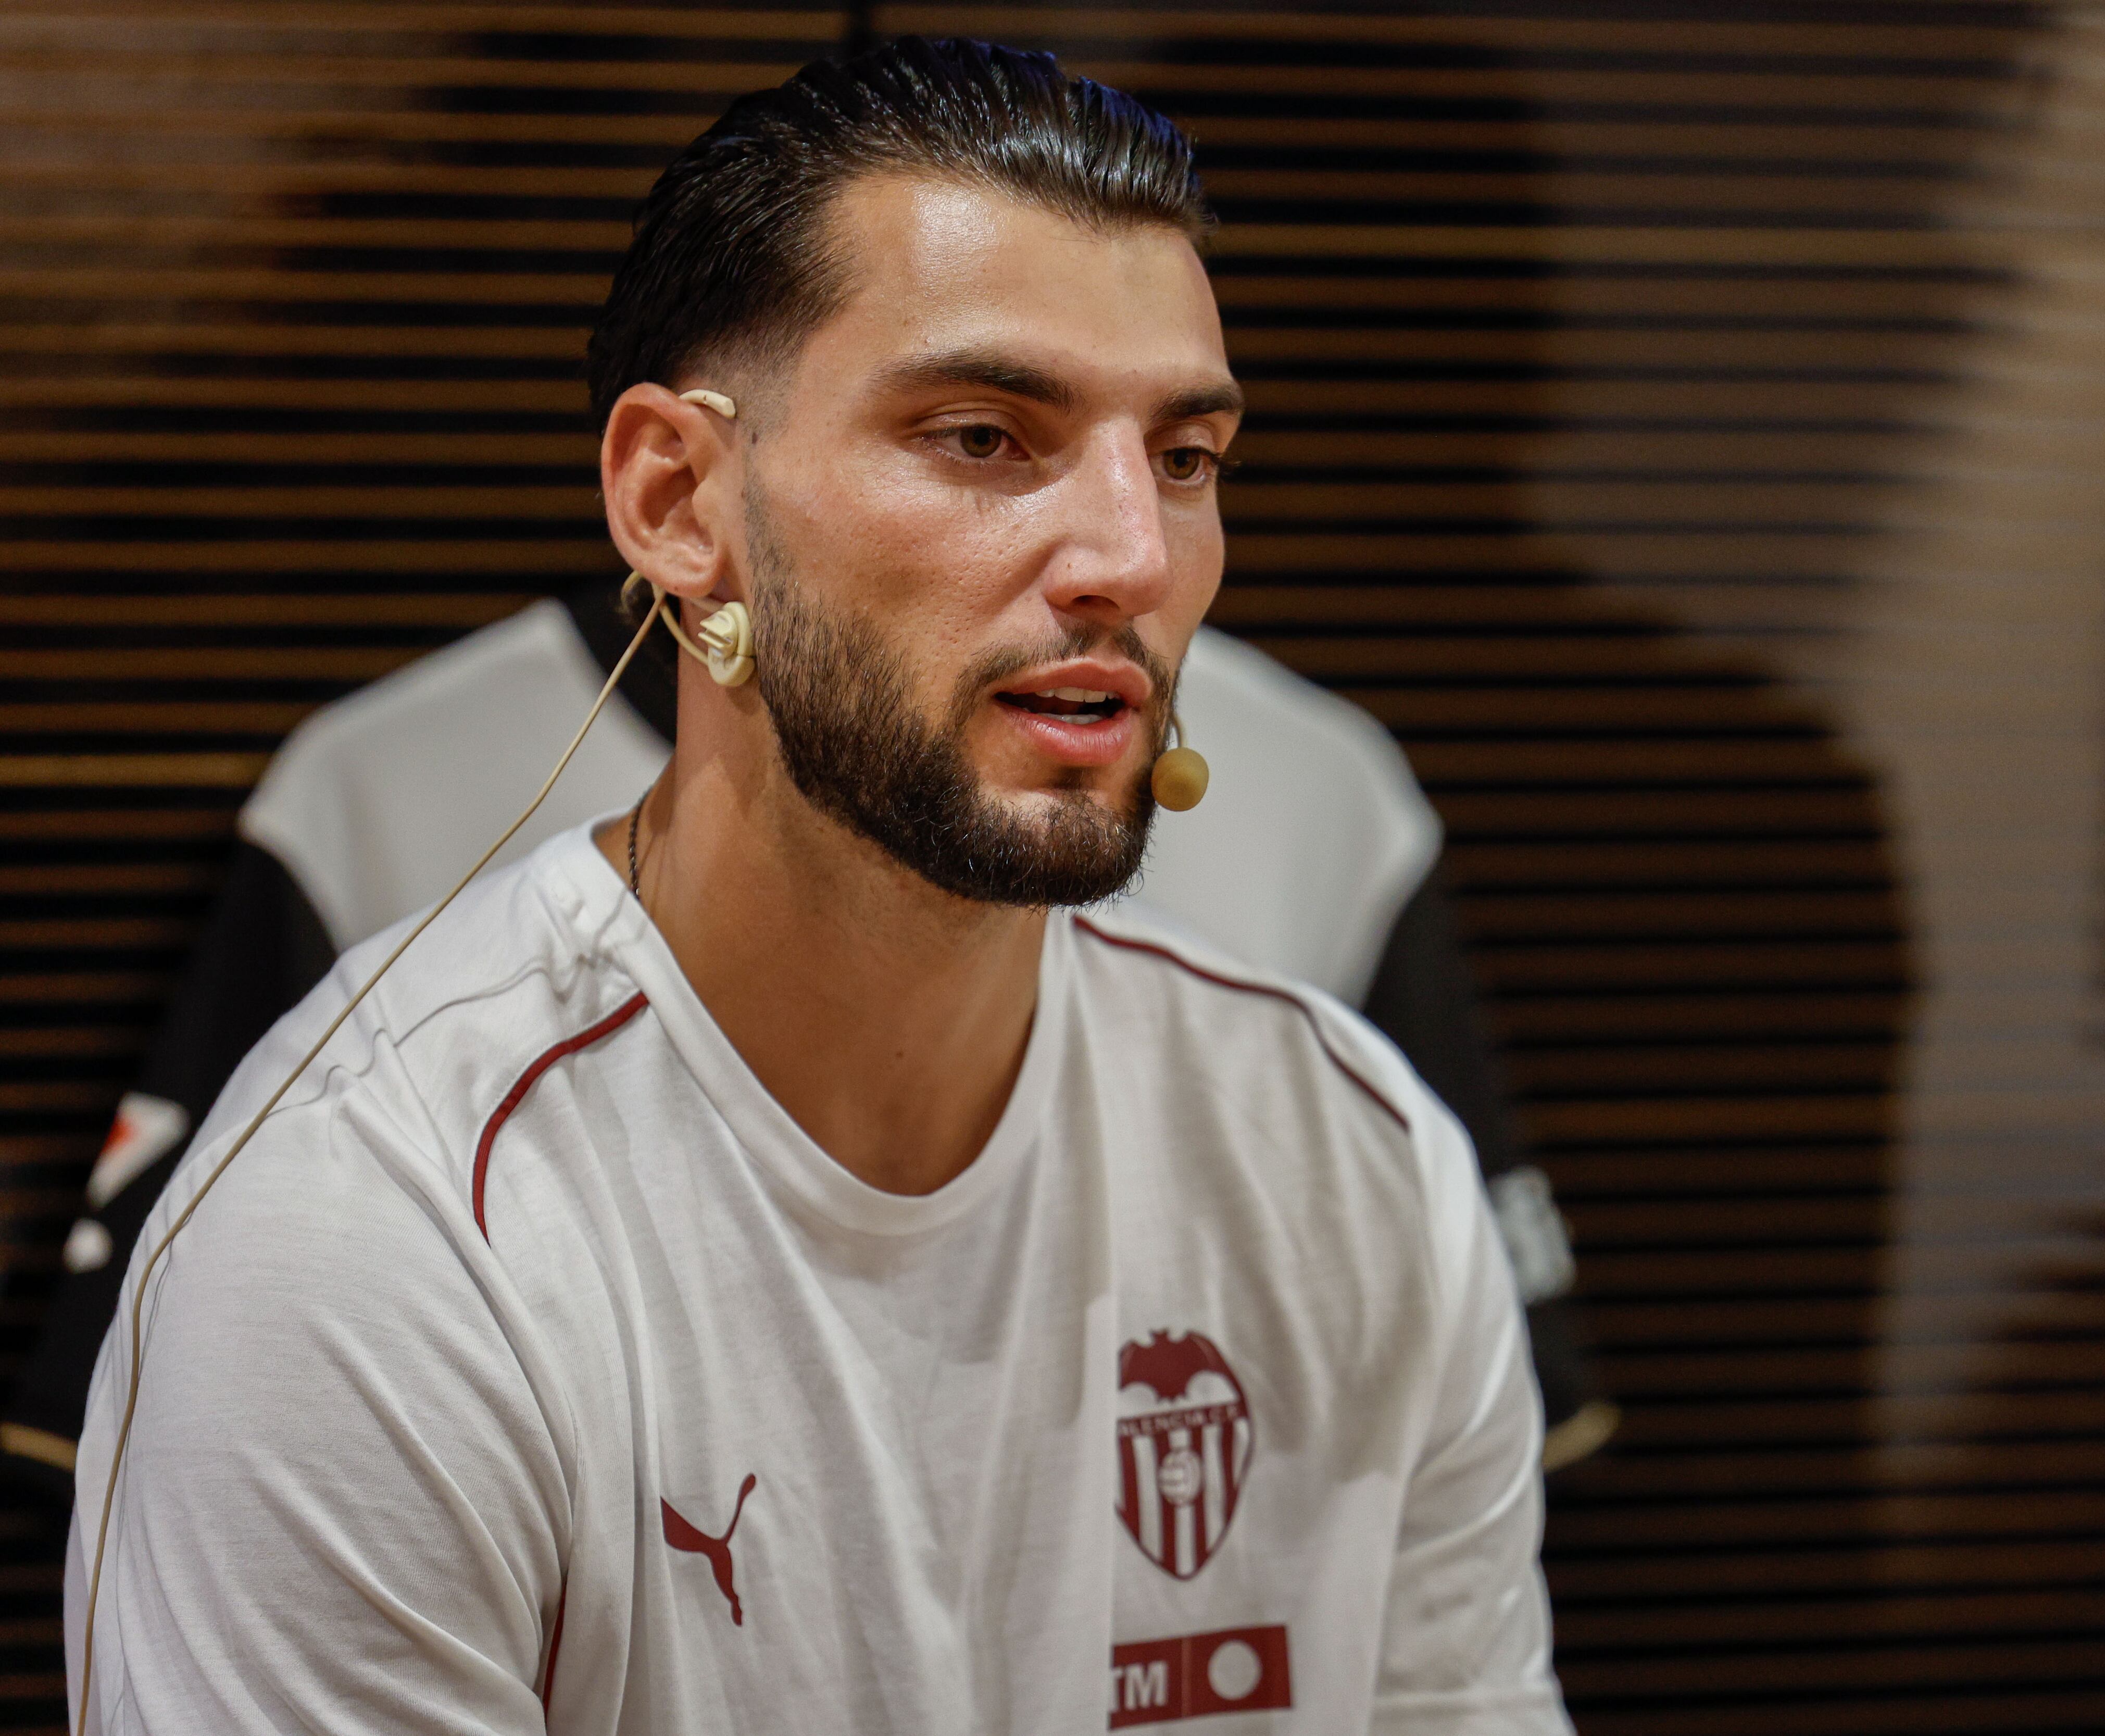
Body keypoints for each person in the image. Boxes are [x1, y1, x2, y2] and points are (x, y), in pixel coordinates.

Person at [68, 38, 1569, 1733]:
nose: (1132, 560)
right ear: (677, 499)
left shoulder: (1349, 1160)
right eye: (988, 435)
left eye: (1186, 457)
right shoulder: (370, 1232)